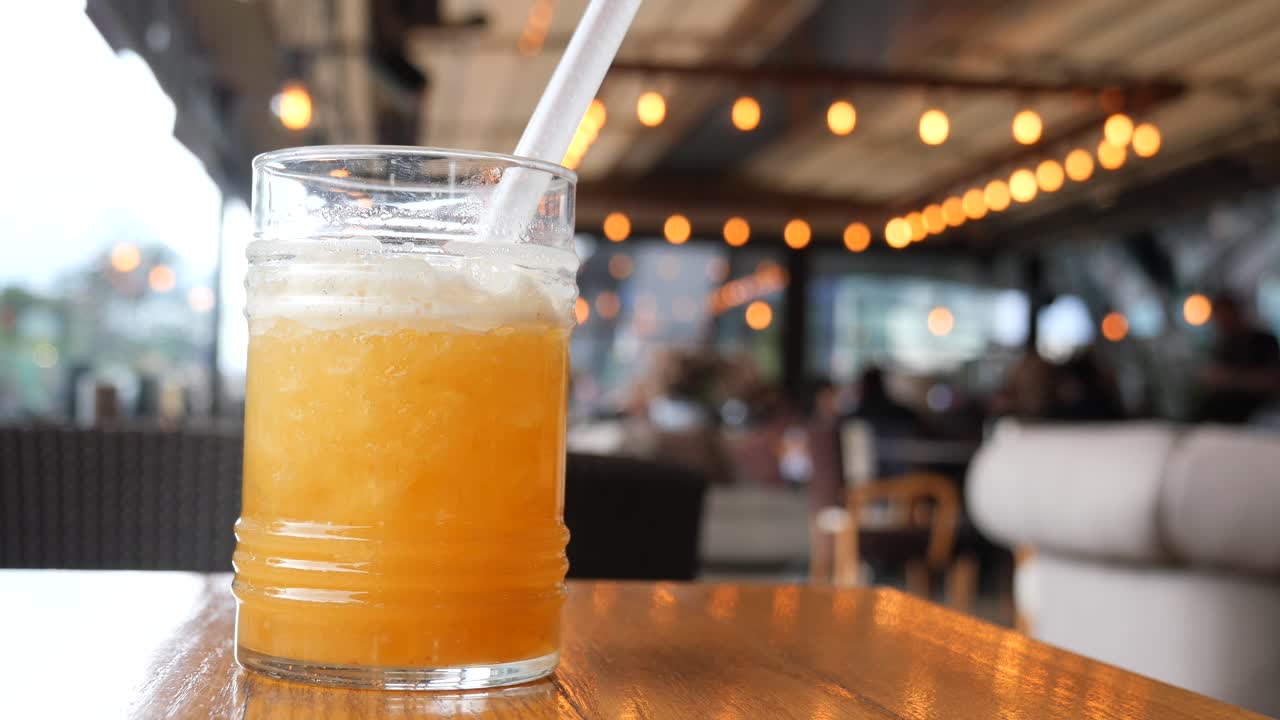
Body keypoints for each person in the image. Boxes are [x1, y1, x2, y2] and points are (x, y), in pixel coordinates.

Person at [1198, 293, 1280, 423]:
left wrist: (1231, 379)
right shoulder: (1225, 343)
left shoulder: (1264, 341)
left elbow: (1272, 380)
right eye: (1218, 319)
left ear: (1236, 313)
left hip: (1261, 413)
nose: (1222, 324)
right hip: (1225, 415)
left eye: (1225, 317)